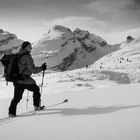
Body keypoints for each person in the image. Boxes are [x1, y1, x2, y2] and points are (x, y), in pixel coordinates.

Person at [8, 41, 47, 117]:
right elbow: (33, 70)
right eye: (29, 47)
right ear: (25, 47)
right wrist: (42, 68)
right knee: (36, 89)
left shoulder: (17, 54)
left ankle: (11, 113)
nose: (31, 48)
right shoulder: (27, 57)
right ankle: (37, 107)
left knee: (17, 97)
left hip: (16, 79)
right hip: (24, 80)